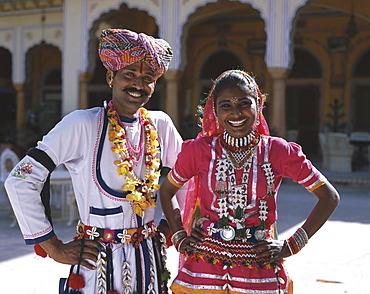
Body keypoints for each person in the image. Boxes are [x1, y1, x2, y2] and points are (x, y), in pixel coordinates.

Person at [5, 28, 184, 294]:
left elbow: (190, 181)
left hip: (149, 265)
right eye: (129, 75)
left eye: (147, 78)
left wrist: (171, 228)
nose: (138, 84)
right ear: (111, 76)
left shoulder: (160, 125)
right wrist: (52, 247)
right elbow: (20, 179)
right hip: (96, 267)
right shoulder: (82, 124)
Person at [160, 69, 340, 293]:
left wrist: (292, 245)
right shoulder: (199, 151)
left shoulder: (278, 151)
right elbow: (166, 191)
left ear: (259, 105)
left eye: (244, 103)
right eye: (226, 105)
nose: (236, 113)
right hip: (203, 268)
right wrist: (179, 235)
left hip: (258, 265)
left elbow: (329, 197)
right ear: (214, 111)